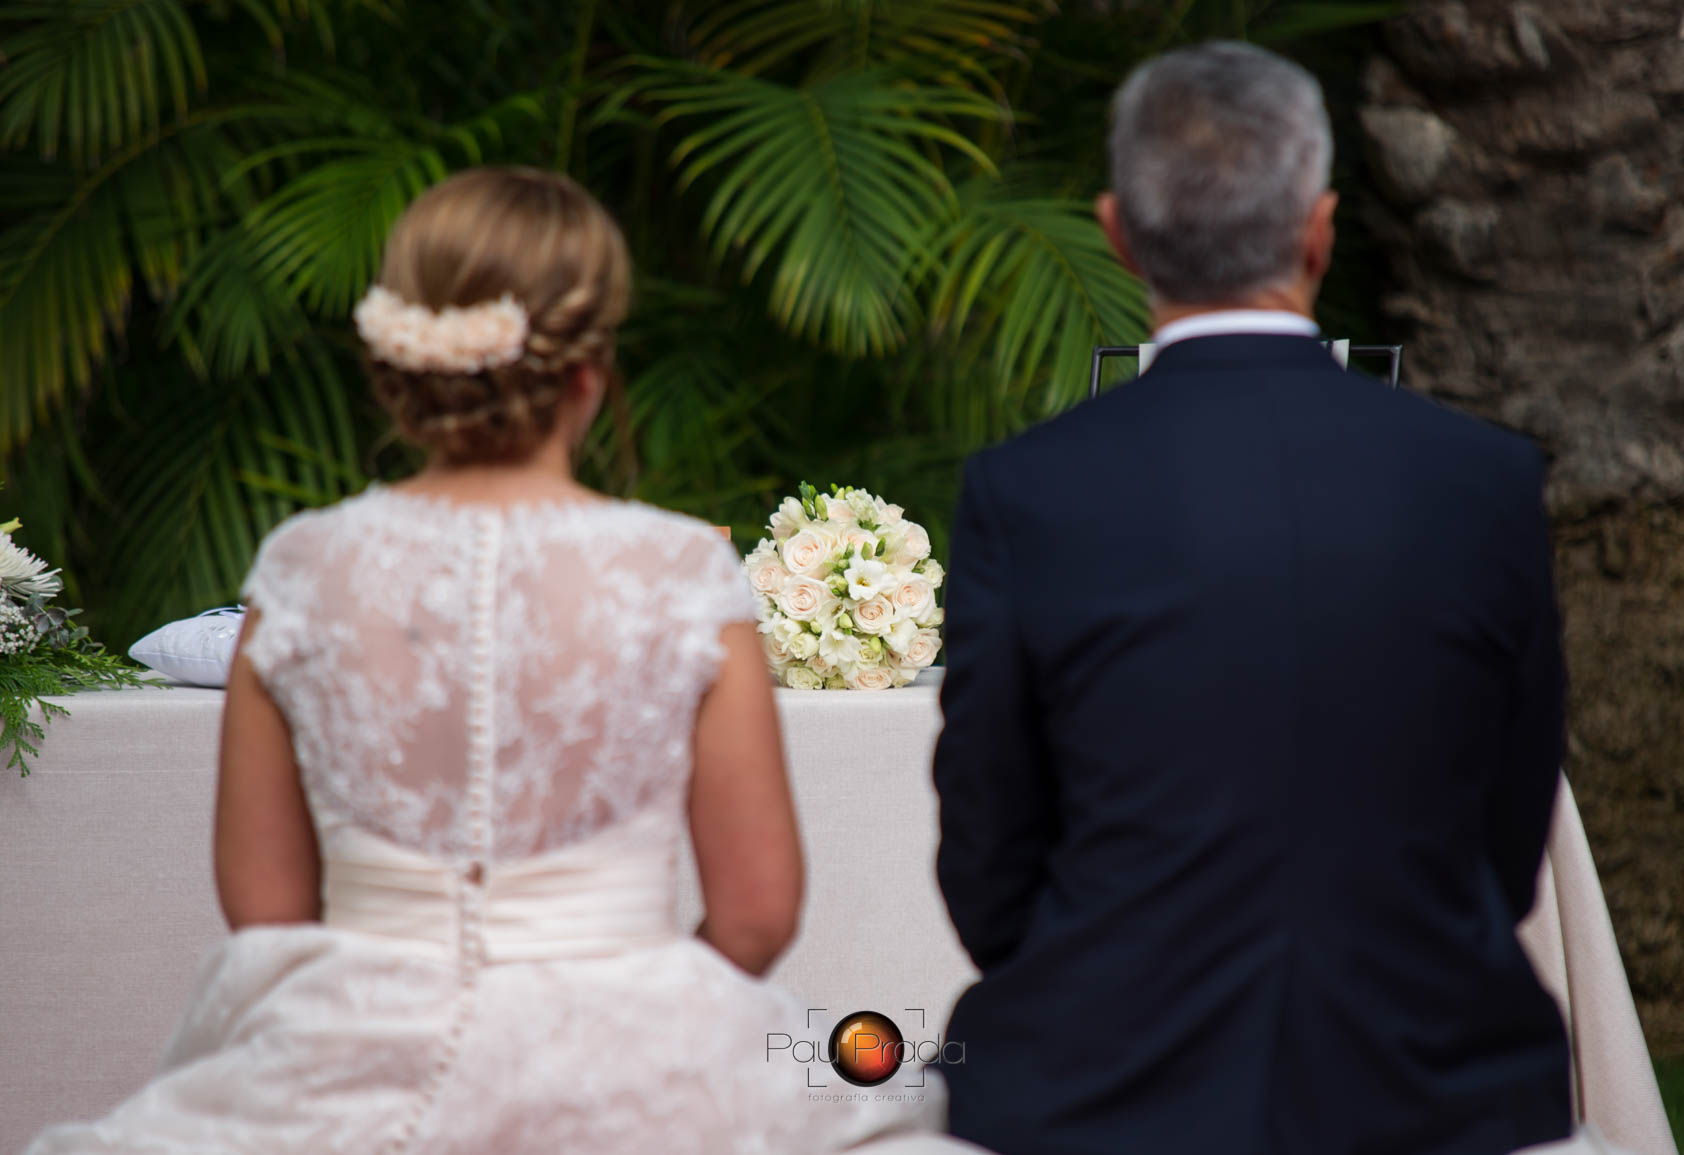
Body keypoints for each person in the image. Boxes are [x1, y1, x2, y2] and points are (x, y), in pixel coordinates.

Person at [24, 167, 945, 1154]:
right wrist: (647, 1032)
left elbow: (265, 915)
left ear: (397, 367)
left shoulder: (299, 572)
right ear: (590, 372)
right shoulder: (682, 575)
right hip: (635, 1071)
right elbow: (756, 914)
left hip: (349, 1072)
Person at [932, 42, 1577, 1155]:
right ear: (1319, 232)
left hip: (1098, 1092)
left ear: (1117, 233)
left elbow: (989, 854)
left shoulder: (1027, 488)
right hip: (1431, 1085)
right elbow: (1509, 839)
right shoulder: (1483, 480)